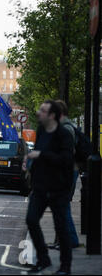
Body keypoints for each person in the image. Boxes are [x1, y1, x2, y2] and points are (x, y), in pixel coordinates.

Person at [23, 100, 74, 275]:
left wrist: (41, 155)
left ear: (52, 115)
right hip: (40, 187)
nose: (39, 113)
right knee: (31, 220)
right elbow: (38, 154)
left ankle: (65, 267)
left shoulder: (64, 135)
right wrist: (29, 162)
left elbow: (66, 160)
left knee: (61, 228)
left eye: (43, 111)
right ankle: (43, 259)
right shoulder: (41, 131)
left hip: (58, 188)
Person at [48, 100, 80, 250]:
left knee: (62, 206)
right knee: (61, 207)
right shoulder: (63, 127)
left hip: (67, 172)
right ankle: (61, 240)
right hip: (64, 171)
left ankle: (70, 240)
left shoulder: (67, 129)